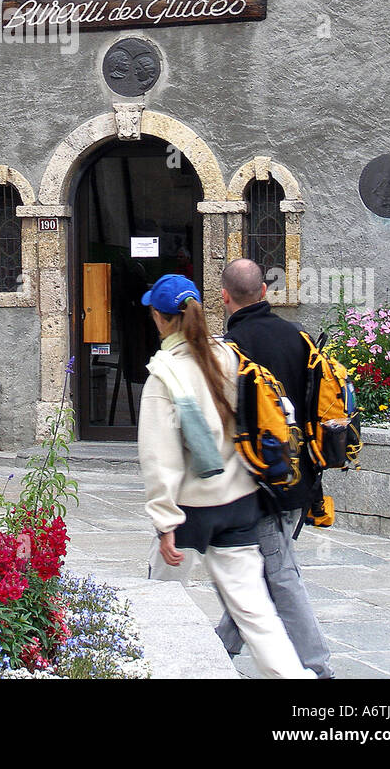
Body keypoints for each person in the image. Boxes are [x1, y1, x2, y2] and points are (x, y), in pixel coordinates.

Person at [138, 273, 315, 680]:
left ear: (160, 318)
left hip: (190, 510)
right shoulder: (230, 356)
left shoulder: (163, 374)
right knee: (255, 611)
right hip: (239, 503)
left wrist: (165, 522)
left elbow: (159, 458)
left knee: (160, 600)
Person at [217, 258, 334, 679]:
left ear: (225, 297)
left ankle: (317, 667)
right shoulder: (299, 338)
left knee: (280, 573)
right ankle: (220, 648)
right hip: (301, 477)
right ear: (265, 292)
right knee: (261, 567)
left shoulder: (230, 350)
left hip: (259, 483)